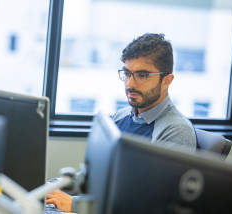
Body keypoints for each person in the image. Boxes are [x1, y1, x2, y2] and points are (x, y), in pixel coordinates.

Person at [46, 33, 197, 213]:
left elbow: (149, 203)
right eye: (126, 73)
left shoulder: (176, 131)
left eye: (142, 75)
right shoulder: (120, 117)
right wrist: (54, 187)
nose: (130, 84)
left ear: (166, 81)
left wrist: (74, 204)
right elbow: (93, 176)